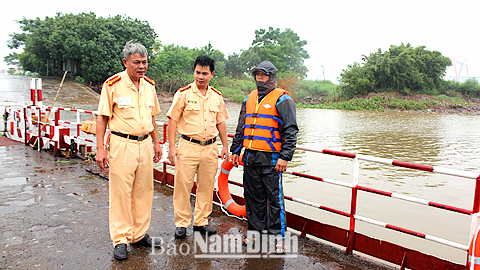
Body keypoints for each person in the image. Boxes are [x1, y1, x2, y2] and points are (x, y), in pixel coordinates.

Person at [95, 40, 162, 261]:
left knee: (144, 191)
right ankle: (121, 239)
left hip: (144, 144)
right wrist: (100, 149)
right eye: (137, 62)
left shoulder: (149, 86)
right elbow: (103, 118)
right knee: (121, 193)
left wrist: (157, 142)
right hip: (122, 144)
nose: (142, 66)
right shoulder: (112, 84)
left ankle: (138, 234)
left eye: (144, 62)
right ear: (126, 62)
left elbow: (151, 117)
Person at [230, 61, 298, 252]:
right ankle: (255, 234)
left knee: (275, 200)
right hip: (250, 157)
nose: (260, 78)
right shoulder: (248, 99)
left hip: (272, 159)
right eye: (257, 75)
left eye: (264, 75)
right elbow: (241, 128)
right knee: (253, 198)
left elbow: (290, 130)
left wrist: (285, 156)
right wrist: (236, 151)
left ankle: (279, 239)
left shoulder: (282, 99)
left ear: (272, 77)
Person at [166, 55, 230, 239]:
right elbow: (172, 120)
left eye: (204, 73)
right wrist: (172, 147)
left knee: (206, 186)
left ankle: (201, 221)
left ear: (212, 74)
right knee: (182, 186)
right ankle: (182, 223)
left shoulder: (216, 97)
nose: (200, 76)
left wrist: (225, 146)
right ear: (194, 72)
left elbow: (221, 123)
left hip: (210, 148)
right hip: (188, 146)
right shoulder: (183, 93)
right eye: (197, 72)